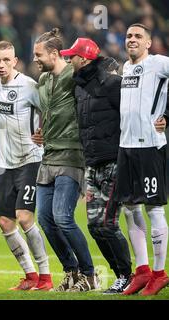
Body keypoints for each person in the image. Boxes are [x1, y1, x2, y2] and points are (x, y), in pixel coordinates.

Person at [60, 38, 134, 294]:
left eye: (72, 56)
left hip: (114, 161)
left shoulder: (113, 84)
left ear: (84, 59)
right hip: (92, 164)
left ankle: (127, 275)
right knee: (94, 225)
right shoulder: (79, 87)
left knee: (108, 223)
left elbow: (131, 116)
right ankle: (121, 275)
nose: (69, 60)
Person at [31, 28, 100, 292]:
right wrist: (42, 130)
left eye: (39, 55)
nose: (35, 59)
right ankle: (71, 271)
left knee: (62, 216)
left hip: (72, 153)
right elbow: (48, 111)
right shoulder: (43, 80)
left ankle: (90, 274)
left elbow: (102, 71)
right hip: (48, 155)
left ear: (54, 53)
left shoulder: (75, 75)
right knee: (45, 219)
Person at [0, 41, 53, 291]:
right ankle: (30, 275)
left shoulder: (28, 86)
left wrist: (45, 132)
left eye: (6, 60)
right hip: (6, 163)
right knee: (5, 222)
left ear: (15, 61)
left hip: (30, 159)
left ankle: (45, 277)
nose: (1, 65)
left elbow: (49, 109)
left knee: (24, 217)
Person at [114, 23, 169, 296]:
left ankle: (160, 273)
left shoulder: (159, 63)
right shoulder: (126, 68)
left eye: (138, 36)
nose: (132, 40)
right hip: (126, 146)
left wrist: (167, 115)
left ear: (149, 43)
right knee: (128, 207)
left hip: (150, 146)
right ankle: (143, 270)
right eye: (128, 36)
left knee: (153, 209)